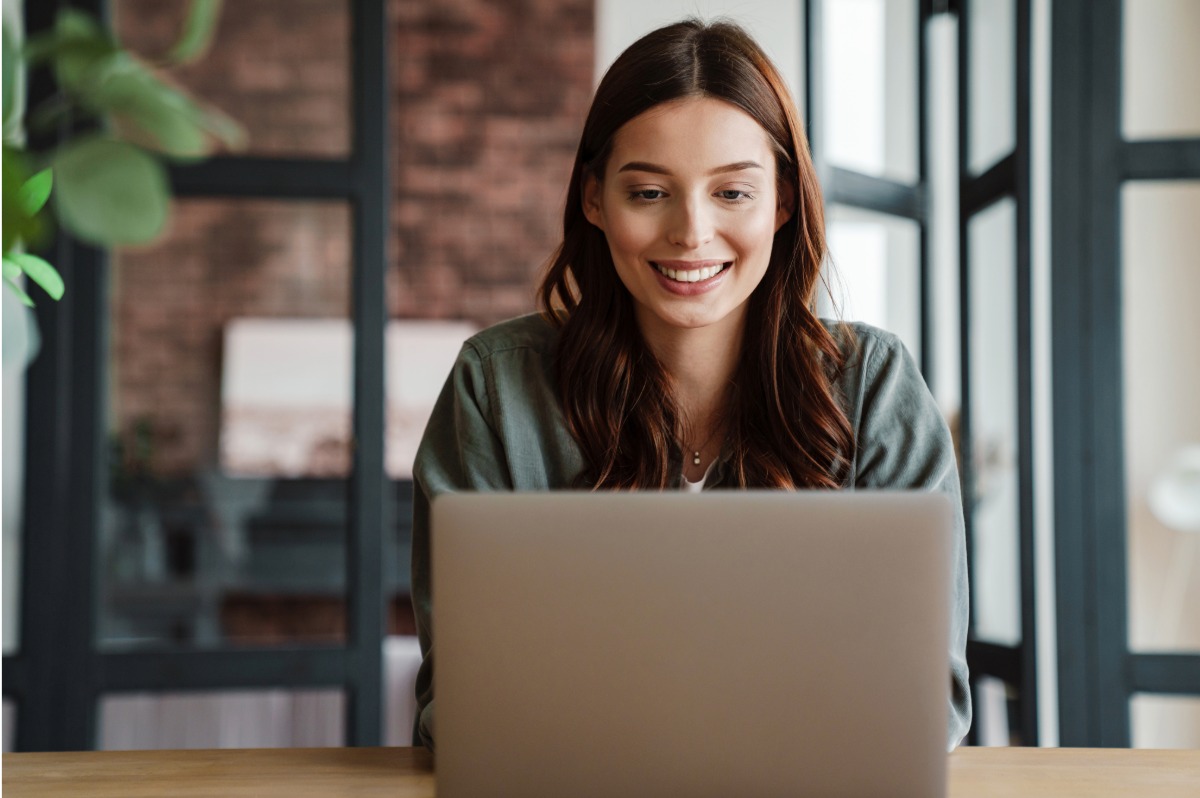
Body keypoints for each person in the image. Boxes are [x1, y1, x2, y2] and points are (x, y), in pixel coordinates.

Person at [410, 18, 971, 751]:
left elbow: (927, 705)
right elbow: (458, 710)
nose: (692, 233)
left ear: (783, 202)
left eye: (733, 193)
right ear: (593, 200)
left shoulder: (874, 387)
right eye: (649, 194)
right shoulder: (494, 388)